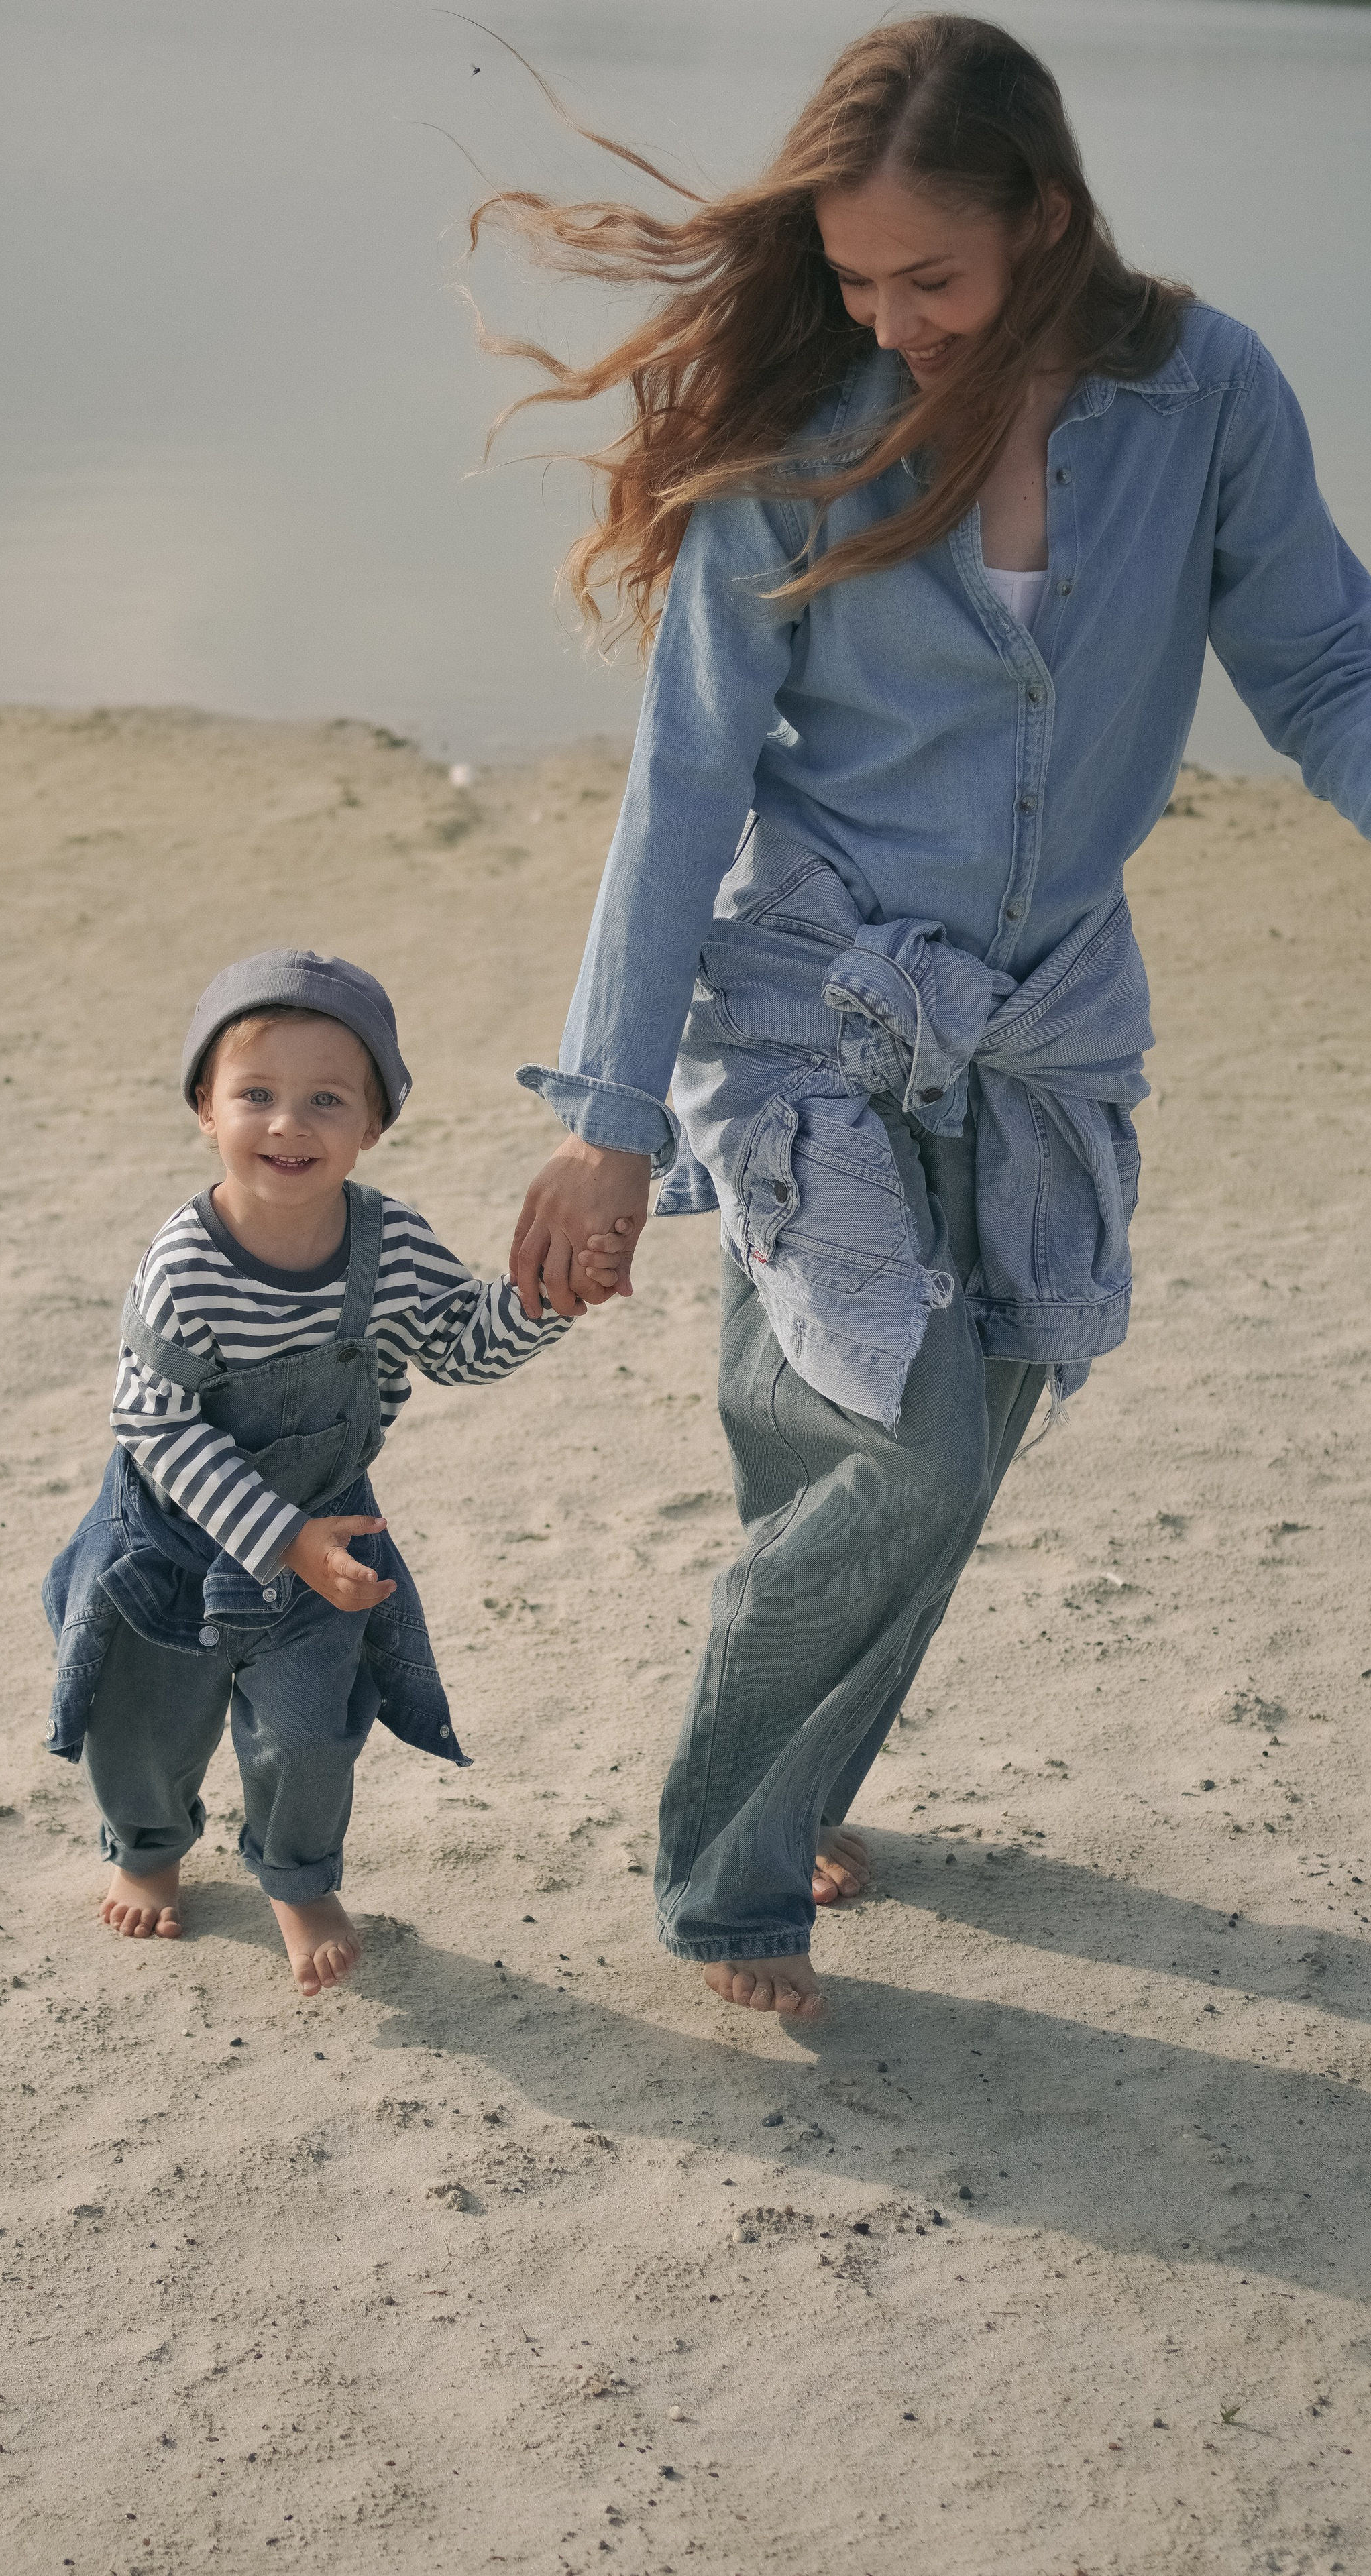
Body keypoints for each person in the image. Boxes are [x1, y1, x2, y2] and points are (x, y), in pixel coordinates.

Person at [483, 13, 1371, 2019]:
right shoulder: (801, 423)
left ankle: (798, 1780)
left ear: (1043, 219)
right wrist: (609, 1111)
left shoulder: (1204, 388)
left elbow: (1323, 665)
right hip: (807, 997)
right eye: (854, 274)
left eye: (930, 278)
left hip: (1048, 1012)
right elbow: (687, 771)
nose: (888, 320)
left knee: (929, 1444)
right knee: (889, 1443)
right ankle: (727, 1878)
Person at [42, 951, 570, 1995]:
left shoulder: (392, 1247)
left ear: (373, 1125)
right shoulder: (186, 1262)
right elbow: (150, 1419)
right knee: (144, 1717)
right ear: (205, 1107)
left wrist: (544, 1296)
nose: (288, 1124)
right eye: (257, 1095)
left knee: (311, 1726)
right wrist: (278, 1535)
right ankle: (148, 1847)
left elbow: (462, 1345)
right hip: (171, 1535)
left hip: (331, 1530)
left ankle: (297, 1874)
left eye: (327, 1099)